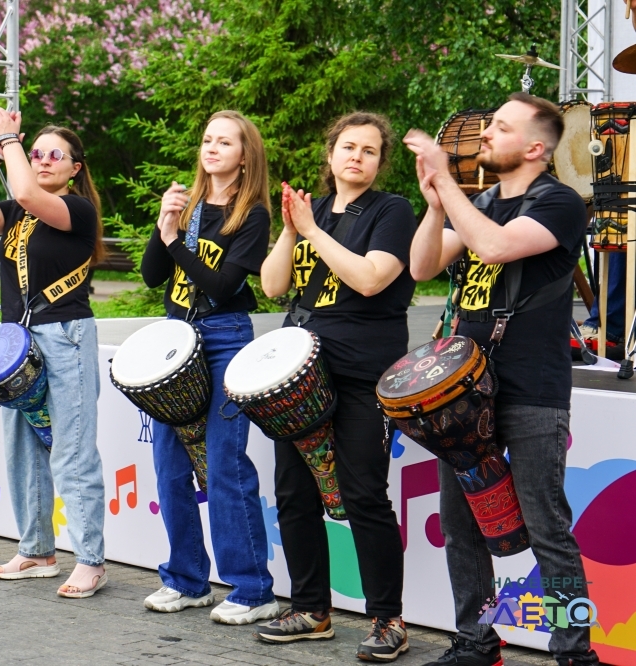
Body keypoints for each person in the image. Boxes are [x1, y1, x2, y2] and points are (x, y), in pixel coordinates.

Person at [406, 93, 599, 666]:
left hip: (531, 389)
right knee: (462, 525)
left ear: (536, 148)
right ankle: (477, 640)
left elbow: (492, 246)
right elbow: (421, 267)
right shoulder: (482, 201)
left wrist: (448, 183)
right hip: (463, 394)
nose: (486, 133)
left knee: (548, 529)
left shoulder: (560, 202)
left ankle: (575, 653)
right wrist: (436, 204)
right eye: (489, 124)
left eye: (502, 127)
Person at [257, 113, 416, 660]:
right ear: (330, 155)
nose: (357, 157)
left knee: (363, 494)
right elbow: (274, 286)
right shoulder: (313, 211)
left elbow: (370, 279)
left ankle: (387, 619)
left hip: (362, 371)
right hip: (301, 375)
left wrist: (311, 230)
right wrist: (289, 228)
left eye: (369, 151)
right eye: (348, 147)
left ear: (380, 162)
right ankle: (311, 610)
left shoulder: (392, 211)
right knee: (294, 493)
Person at [0, 110, 108, 598]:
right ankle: (37, 550)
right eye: (35, 152)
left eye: (53, 154)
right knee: (22, 448)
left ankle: (90, 560)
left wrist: (11, 140)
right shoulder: (17, 214)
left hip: (65, 336)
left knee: (71, 450)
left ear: (75, 168)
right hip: (18, 344)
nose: (42, 160)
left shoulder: (76, 210)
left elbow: (25, 193)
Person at [139, 110, 278, 625]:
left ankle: (252, 589)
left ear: (245, 156)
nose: (212, 148)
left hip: (224, 338)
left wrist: (175, 241)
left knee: (224, 464)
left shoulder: (253, 216)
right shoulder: (189, 205)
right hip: (176, 339)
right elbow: (152, 275)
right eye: (207, 140)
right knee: (170, 463)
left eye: (225, 142)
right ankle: (186, 579)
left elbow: (222, 286)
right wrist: (165, 226)